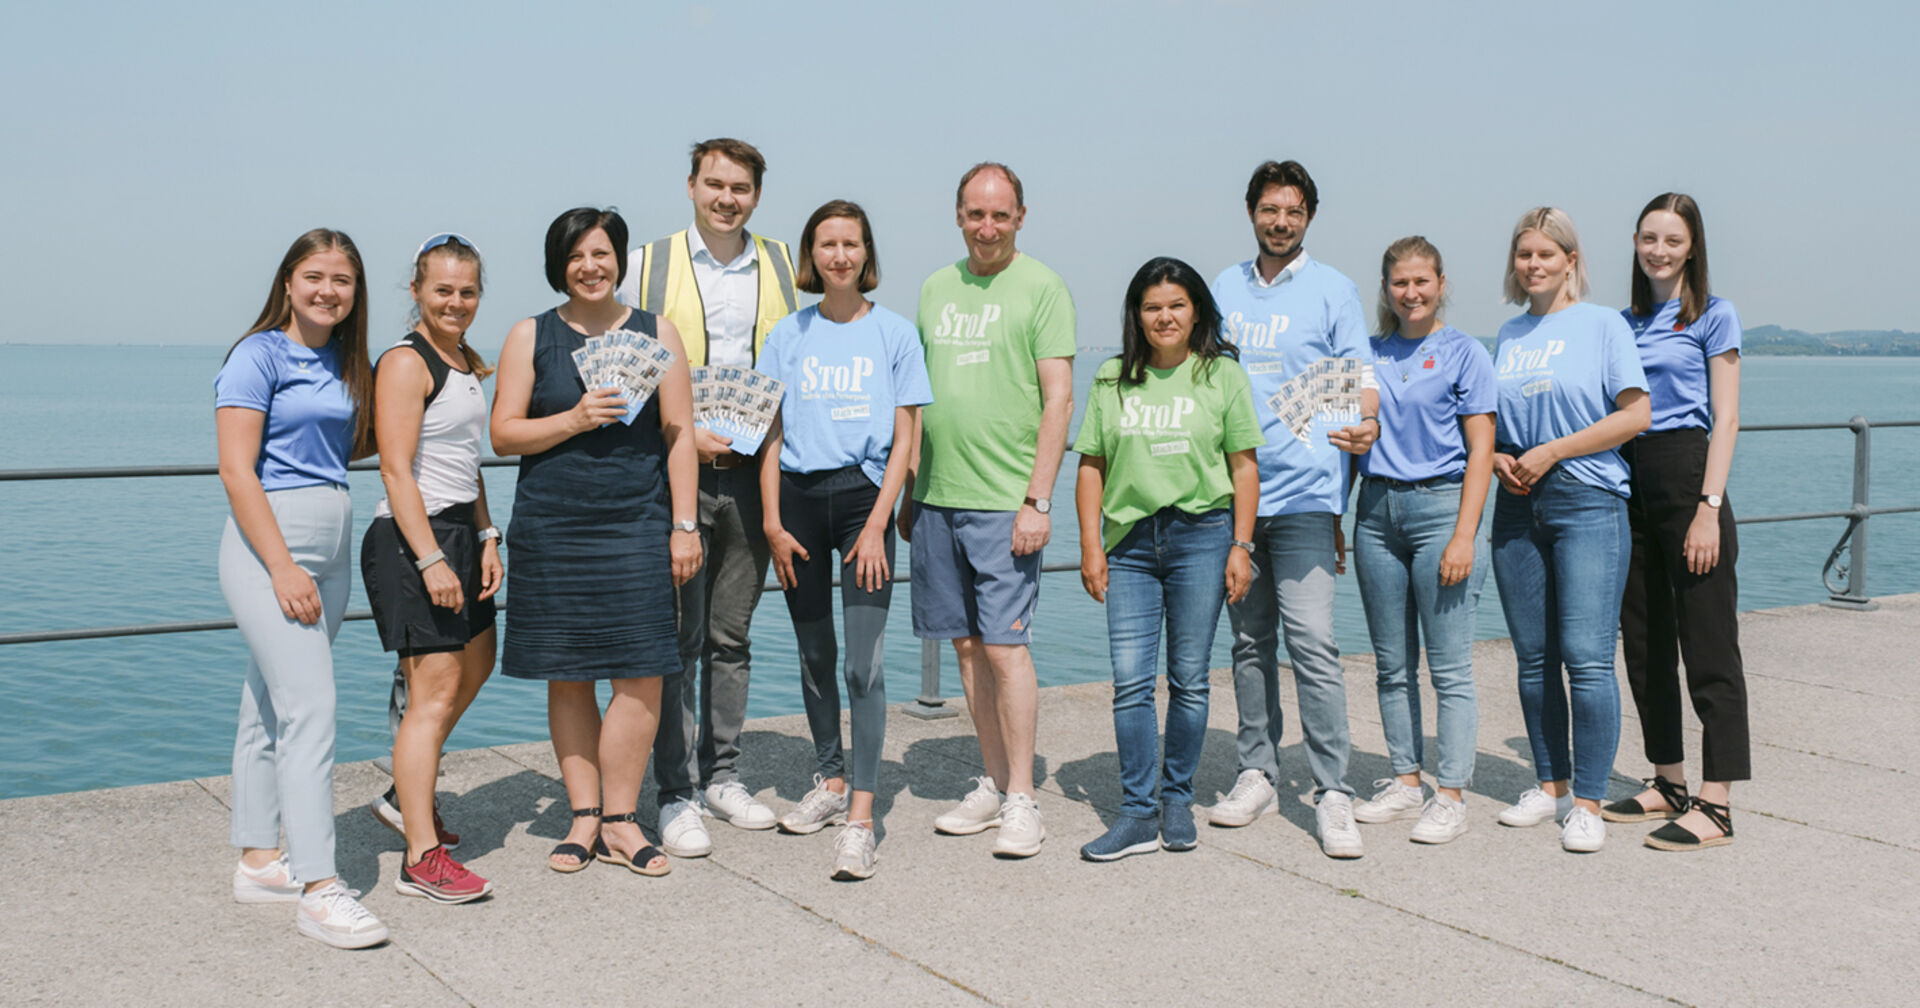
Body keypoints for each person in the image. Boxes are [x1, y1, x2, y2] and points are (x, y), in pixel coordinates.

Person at [492, 207, 701, 877]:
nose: (590, 266)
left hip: (638, 522)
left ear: (620, 259)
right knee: (570, 671)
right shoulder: (530, 334)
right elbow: (503, 434)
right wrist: (575, 418)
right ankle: (582, 816)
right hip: (552, 524)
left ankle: (621, 819)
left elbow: (679, 435)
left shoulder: (654, 331)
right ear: (561, 263)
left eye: (602, 253)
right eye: (577, 255)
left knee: (642, 673)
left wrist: (684, 524)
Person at [616, 138, 797, 857]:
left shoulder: (786, 263)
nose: (727, 197)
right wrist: (684, 438)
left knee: (731, 635)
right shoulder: (645, 265)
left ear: (757, 194)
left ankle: (723, 774)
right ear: (691, 185)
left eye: (741, 187)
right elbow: (627, 366)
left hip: (757, 475)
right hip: (676, 479)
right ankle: (675, 791)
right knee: (676, 641)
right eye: (715, 184)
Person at [215, 228, 388, 948]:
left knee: (269, 706)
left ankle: (259, 859)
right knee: (312, 706)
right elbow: (236, 469)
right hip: (269, 547)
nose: (327, 290)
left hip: (333, 535)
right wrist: (282, 565)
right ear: (288, 282)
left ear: (356, 293)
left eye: (342, 279)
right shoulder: (258, 354)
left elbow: (353, 446)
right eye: (314, 276)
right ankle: (319, 886)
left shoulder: (347, 363)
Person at [902, 162, 1075, 858]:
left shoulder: (1043, 287)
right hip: (937, 500)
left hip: (1006, 505)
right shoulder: (935, 288)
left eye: (1000, 215)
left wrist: (1038, 498)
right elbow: (914, 396)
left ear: (1021, 218)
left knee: (1006, 650)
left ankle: (1026, 799)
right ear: (958, 215)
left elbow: (1059, 398)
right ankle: (995, 781)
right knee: (968, 649)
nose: (987, 227)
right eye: (976, 213)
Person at [756, 200, 933, 880]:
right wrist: (771, 522)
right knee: (813, 653)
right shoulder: (787, 334)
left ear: (866, 253)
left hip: (865, 502)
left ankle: (861, 817)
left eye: (850, 244)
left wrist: (878, 525)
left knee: (864, 664)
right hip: (797, 502)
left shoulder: (895, 333)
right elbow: (769, 434)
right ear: (812, 254)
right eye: (826, 244)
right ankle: (829, 781)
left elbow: (907, 437)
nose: (838, 255)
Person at [1208, 160, 1379, 859]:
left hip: (1307, 494)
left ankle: (1332, 788)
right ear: (1251, 211)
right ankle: (1257, 770)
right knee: (1249, 643)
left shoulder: (1334, 289)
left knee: (1312, 642)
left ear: (1308, 216)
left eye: (1294, 210)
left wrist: (1364, 425)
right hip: (1233, 497)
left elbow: (1359, 384)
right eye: (1270, 209)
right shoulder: (1222, 287)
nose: (1281, 221)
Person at [1073, 257, 1263, 861]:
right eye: (1152, 307)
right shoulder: (1110, 378)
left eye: (1176, 305)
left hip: (1203, 536)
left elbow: (1243, 467)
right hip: (1127, 544)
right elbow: (1091, 466)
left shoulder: (1222, 376)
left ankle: (1177, 799)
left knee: (1189, 678)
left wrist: (1241, 545)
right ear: (1137, 315)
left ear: (1197, 310)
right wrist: (1089, 546)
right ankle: (1136, 812)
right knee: (1130, 683)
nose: (1165, 317)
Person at [1489, 207, 1650, 854]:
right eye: (1524, 255)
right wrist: (1500, 454)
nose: (1534, 265)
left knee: (1586, 659)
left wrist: (1554, 451)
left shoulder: (1603, 325)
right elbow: (1494, 423)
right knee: (1534, 661)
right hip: (1516, 504)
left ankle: (1587, 800)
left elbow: (1636, 414)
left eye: (1546, 255)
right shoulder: (1506, 333)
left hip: (1588, 503)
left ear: (1570, 262)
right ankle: (1549, 783)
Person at [360, 233, 502, 903]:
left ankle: (401, 794)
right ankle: (420, 859)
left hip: (459, 533)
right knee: (432, 696)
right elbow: (396, 470)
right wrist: (432, 558)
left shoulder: (463, 361)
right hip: (412, 539)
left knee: (478, 665)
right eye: (442, 289)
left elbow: (466, 464)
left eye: (467, 291)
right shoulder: (404, 362)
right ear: (415, 291)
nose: (455, 301)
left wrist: (487, 535)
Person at [1607, 193, 1749, 850]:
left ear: (1692, 247)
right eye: (1649, 238)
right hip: (1628, 478)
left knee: (1709, 644)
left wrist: (1708, 509)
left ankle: (1716, 802)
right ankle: (1668, 780)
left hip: (1689, 475)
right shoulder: (1623, 322)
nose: (1659, 250)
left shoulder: (1713, 317)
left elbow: (1725, 418)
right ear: (1635, 243)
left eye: (1672, 239)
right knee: (1645, 644)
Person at [1348, 237, 1496, 845]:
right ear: (1385, 288)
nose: (1411, 293)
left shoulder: (1464, 353)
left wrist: (1465, 534)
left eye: (1422, 282)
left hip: (1442, 509)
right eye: (1399, 283)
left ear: (1440, 283)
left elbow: (1482, 448)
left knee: (1450, 667)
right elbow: (1346, 432)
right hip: (1376, 511)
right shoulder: (1366, 352)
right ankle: (1406, 781)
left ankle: (1452, 793)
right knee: (1391, 665)